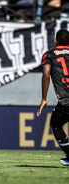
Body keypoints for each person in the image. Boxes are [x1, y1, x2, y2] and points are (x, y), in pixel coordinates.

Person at [37, 29, 69, 166]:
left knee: (56, 125)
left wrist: (44, 98)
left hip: (66, 102)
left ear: (56, 41)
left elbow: (46, 75)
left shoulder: (49, 55)